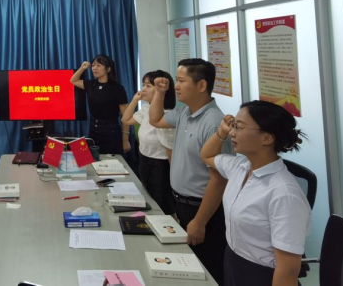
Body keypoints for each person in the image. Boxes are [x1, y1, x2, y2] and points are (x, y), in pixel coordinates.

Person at [201, 101, 311, 286]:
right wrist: (221, 132)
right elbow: (207, 155)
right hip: (234, 262)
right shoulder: (240, 167)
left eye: (239, 127)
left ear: (267, 138)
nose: (232, 133)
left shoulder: (284, 194)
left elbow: (287, 271)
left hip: (261, 275)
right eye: (233, 125)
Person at [148, 58, 232, 285]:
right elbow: (155, 119)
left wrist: (200, 221)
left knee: (207, 271)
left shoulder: (214, 124)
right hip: (183, 204)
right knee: (190, 268)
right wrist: (159, 92)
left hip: (203, 210)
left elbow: (219, 180)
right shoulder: (186, 111)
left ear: (201, 85)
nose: (176, 86)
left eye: (182, 81)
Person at [121, 70, 177, 215]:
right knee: (149, 202)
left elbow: (171, 151)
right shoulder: (147, 109)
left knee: (162, 206)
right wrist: (135, 100)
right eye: (143, 85)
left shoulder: (168, 116)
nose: (143, 89)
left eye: (148, 85)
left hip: (161, 167)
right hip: (144, 161)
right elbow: (125, 120)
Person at [70, 55, 129, 155]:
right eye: (93, 65)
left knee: (111, 160)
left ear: (108, 69)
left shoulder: (117, 88)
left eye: (99, 65)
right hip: (93, 128)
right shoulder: (91, 84)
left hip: (111, 131)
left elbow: (125, 116)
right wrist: (82, 68)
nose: (94, 68)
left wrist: (125, 140)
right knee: (93, 158)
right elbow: (73, 80)